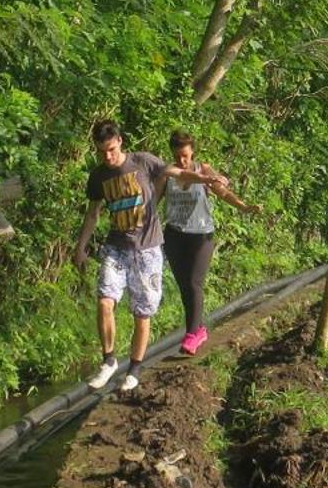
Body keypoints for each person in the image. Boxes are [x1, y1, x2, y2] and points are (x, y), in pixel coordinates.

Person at [72, 120, 214, 394]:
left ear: (120, 141)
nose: (108, 157)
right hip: (116, 246)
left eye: (111, 150)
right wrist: (81, 247)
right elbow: (93, 214)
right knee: (104, 300)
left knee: (142, 311)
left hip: (147, 249)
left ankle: (134, 368)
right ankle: (109, 360)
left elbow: (174, 171)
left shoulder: (143, 162)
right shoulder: (98, 176)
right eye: (102, 152)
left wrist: (204, 179)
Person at [160, 129, 258, 358]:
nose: (182, 161)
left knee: (194, 283)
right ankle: (198, 329)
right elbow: (155, 199)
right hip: (174, 235)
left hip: (201, 236)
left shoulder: (203, 169)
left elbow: (223, 192)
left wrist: (243, 206)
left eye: (185, 156)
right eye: (177, 156)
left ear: (192, 152)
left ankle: (193, 335)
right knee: (185, 287)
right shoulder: (169, 173)